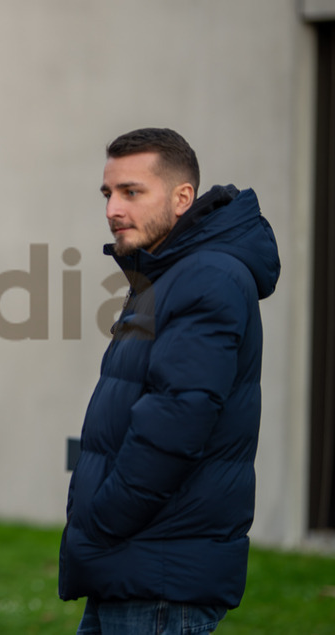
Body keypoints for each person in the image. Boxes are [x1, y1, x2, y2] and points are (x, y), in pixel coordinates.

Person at [58, 128, 281, 633]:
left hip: (159, 572)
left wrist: (103, 520)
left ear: (183, 198)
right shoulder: (171, 272)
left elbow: (179, 419)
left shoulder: (206, 276)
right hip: (139, 563)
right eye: (108, 193)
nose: (113, 208)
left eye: (131, 192)